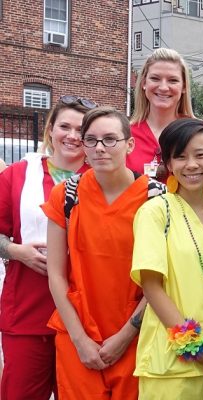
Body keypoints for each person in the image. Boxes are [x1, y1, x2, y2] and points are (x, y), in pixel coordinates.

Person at [42, 107, 158, 399]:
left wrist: (125, 337)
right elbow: (55, 274)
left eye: (110, 139)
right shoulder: (67, 195)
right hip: (77, 334)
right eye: (90, 140)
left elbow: (162, 280)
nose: (100, 148)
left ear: (129, 144)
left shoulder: (156, 198)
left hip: (135, 335)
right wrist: (80, 340)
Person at [131, 118, 203, 399]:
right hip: (172, 366)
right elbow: (151, 286)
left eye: (200, 155)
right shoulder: (156, 212)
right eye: (180, 157)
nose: (191, 165)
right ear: (169, 165)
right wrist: (193, 346)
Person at [0, 95, 93, 399]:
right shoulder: (16, 175)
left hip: (86, 320)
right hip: (28, 313)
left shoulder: (102, 179)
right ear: (50, 130)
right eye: (64, 126)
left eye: (81, 130)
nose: (72, 135)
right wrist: (15, 251)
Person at [127, 48, 196, 177]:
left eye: (173, 80)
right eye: (155, 78)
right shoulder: (124, 135)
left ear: (184, 87)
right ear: (143, 83)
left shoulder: (198, 134)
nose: (163, 87)